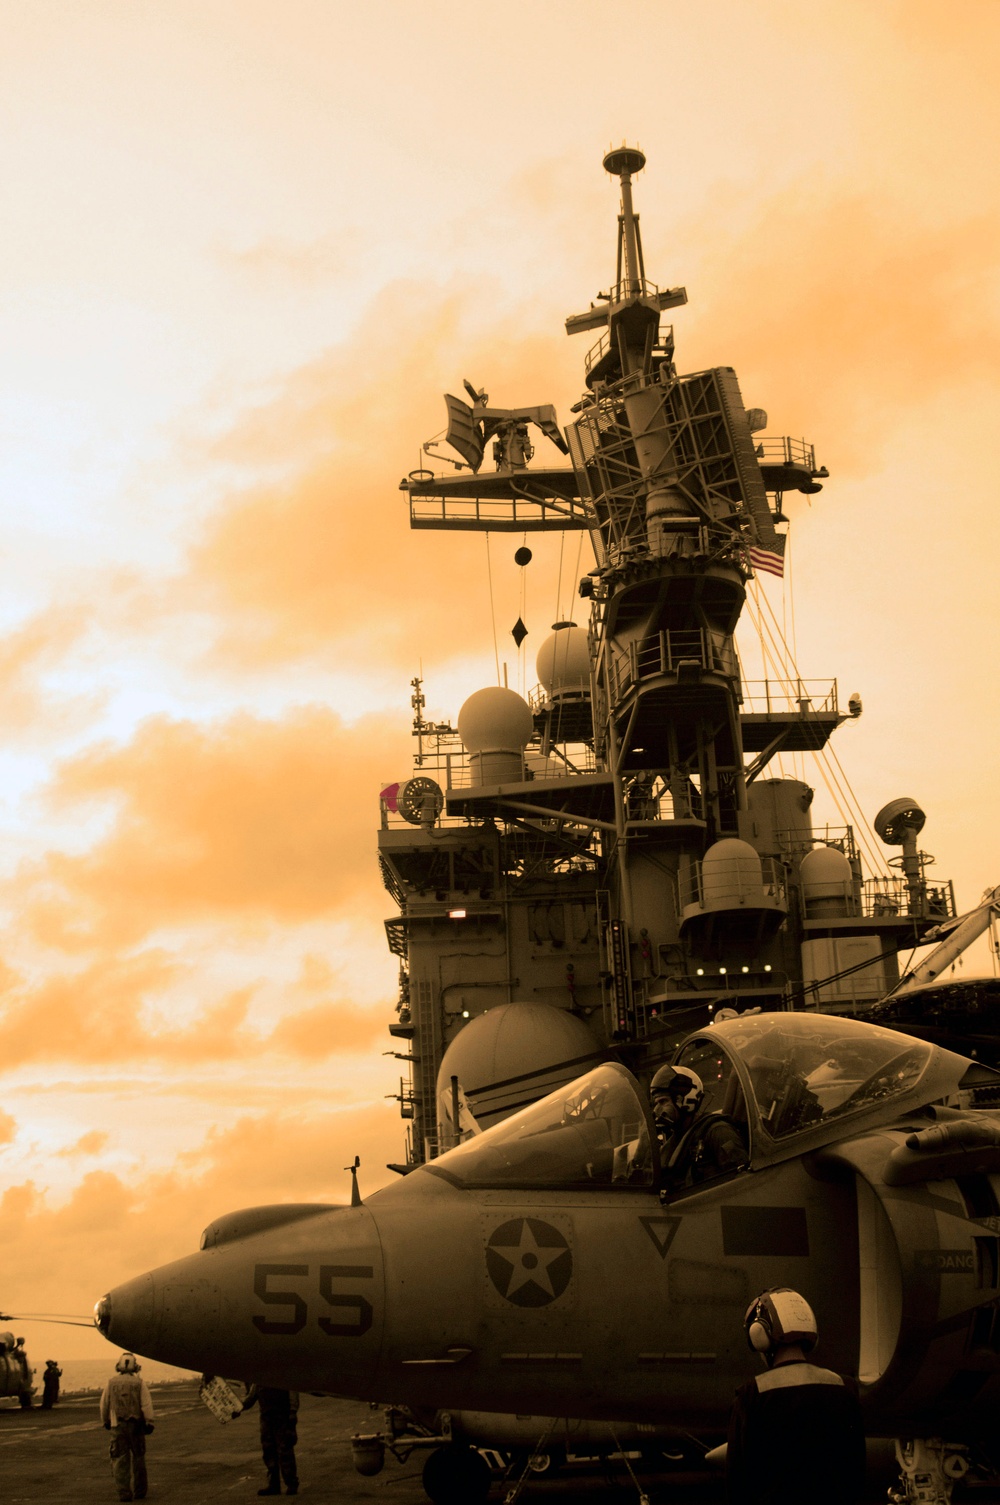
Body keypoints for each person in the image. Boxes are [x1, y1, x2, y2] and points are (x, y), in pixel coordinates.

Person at [727, 1288, 866, 1505]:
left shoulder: (752, 1395)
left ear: (760, 1337)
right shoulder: (844, 1387)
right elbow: (856, 1471)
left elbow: (738, 1482)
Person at [650, 1064, 748, 1190]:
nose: (656, 1110)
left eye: (663, 1102)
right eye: (656, 1103)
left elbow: (744, 1183)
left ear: (683, 1101)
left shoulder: (718, 1132)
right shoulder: (676, 1138)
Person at [100, 1353, 155, 1502]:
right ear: (135, 1366)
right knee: (138, 1459)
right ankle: (140, 1491)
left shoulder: (111, 1383)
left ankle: (124, 1493)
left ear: (118, 1366)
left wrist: (105, 1420)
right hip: (136, 1425)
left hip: (117, 1426)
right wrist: (149, 1421)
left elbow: (104, 1404)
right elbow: (146, 1404)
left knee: (119, 1460)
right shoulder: (139, 1383)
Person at [243, 1386, 300, 1496]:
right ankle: (274, 1485)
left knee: (285, 1451)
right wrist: (237, 1408)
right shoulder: (258, 1380)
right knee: (269, 1451)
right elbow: (250, 1398)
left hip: (283, 1416)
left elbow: (292, 1391)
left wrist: (293, 1411)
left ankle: (291, 1484)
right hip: (267, 1418)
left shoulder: (282, 1374)